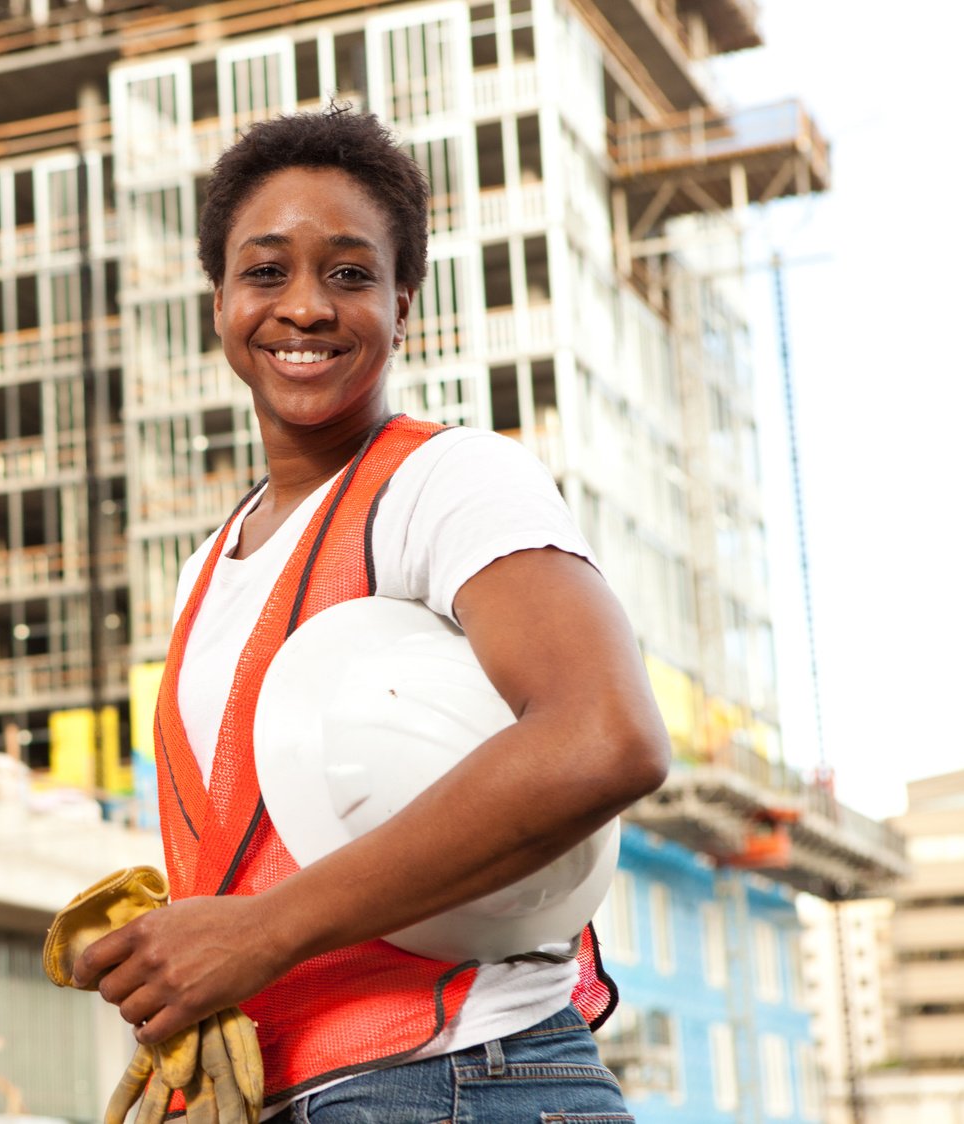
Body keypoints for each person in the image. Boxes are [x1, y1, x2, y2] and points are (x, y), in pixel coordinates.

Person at [71, 106, 670, 1120]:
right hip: (294, 1092)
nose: (303, 306)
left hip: (454, 1075)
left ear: (401, 303)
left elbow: (602, 737)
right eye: (265, 272)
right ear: (218, 301)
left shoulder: (448, 480)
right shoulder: (205, 568)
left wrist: (258, 931)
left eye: (347, 273)